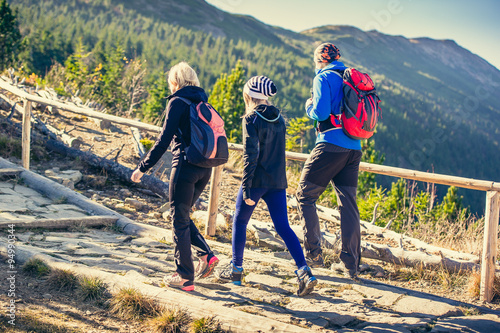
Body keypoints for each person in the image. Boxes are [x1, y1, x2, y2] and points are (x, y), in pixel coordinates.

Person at [216, 76, 317, 296]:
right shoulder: (279, 117)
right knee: (283, 227)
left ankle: (236, 270)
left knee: (240, 221)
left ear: (249, 96)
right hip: (278, 182)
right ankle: (304, 271)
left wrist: (247, 186)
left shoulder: (251, 118)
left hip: (258, 181)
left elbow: (250, 154)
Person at [131, 62, 219, 291]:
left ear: (174, 82)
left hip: (185, 168)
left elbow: (163, 139)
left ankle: (184, 276)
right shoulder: (203, 101)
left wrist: (143, 167)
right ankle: (206, 255)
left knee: (178, 219)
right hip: (205, 168)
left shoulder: (177, 101)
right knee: (182, 215)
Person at [296, 43, 363, 279]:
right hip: (354, 147)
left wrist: (308, 107)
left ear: (319, 60)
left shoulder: (323, 78)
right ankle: (351, 265)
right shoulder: (350, 77)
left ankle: (313, 254)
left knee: (305, 195)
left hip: (330, 144)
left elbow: (321, 113)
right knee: (348, 204)